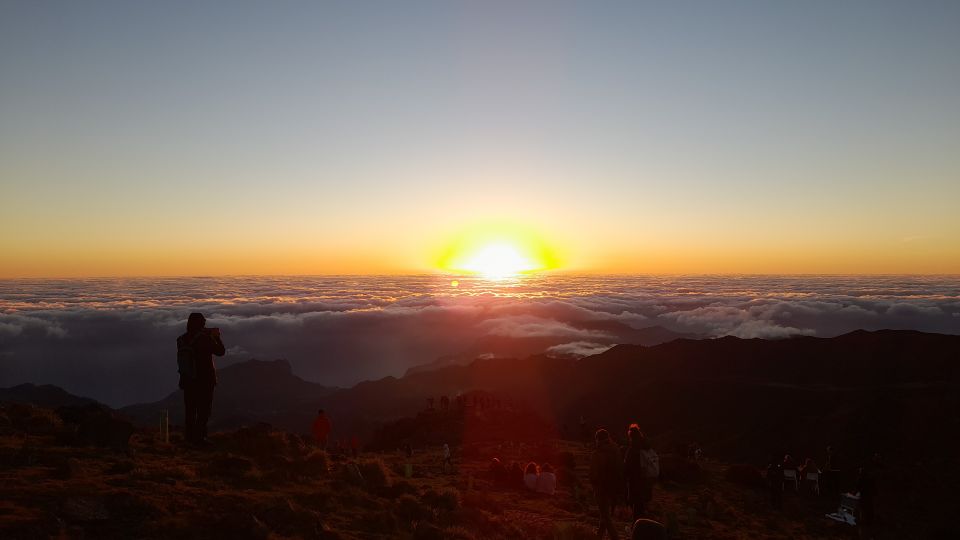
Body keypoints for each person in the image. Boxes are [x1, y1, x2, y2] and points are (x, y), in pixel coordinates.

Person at [177, 312, 225, 446]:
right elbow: (221, 352)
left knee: (190, 410)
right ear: (201, 324)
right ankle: (200, 439)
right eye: (203, 322)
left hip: (187, 380)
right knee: (203, 411)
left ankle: (189, 438)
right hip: (205, 381)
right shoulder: (204, 339)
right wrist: (216, 337)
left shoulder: (181, 340)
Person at [590, 428, 624, 540]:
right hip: (614, 487)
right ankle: (599, 536)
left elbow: (594, 475)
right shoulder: (616, 450)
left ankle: (615, 538)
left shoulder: (597, 453)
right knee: (604, 514)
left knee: (605, 516)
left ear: (597, 439)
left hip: (601, 488)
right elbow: (621, 468)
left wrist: (593, 486)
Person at [624, 425, 658, 519]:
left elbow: (627, 467)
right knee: (642, 505)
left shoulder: (632, 450)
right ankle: (643, 524)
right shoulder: (646, 447)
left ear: (631, 436)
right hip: (647, 481)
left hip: (635, 482)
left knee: (636, 507)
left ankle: (638, 527)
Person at [856, 453, 882, 540]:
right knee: (869, 515)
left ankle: (866, 533)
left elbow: (858, 488)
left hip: (865, 498)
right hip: (868, 498)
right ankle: (869, 532)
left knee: (865, 516)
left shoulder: (864, 478)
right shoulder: (870, 478)